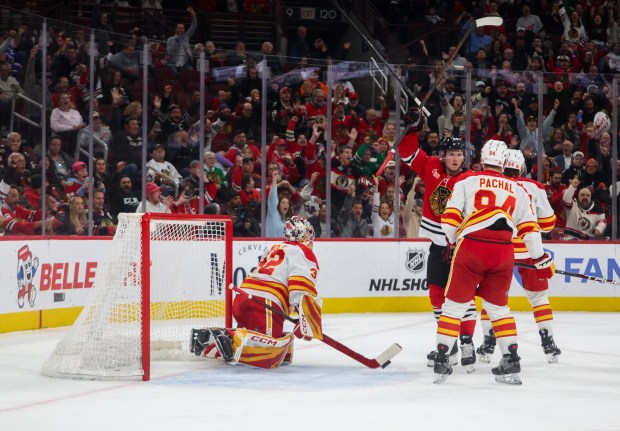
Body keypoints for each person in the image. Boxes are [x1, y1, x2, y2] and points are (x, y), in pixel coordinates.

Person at [434, 140, 555, 385]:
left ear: (481, 157)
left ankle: (442, 360)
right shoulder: (518, 189)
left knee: (454, 307)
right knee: (500, 310)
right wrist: (540, 257)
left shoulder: (467, 181)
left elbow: (448, 221)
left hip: (471, 247)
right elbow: (531, 230)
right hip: (503, 253)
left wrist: (457, 242)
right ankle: (511, 362)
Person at [191, 216, 321, 369]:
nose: (310, 239)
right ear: (300, 236)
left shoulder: (275, 247)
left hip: (242, 297)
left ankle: (214, 337)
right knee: (269, 352)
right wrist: (306, 318)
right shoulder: (303, 251)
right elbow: (300, 284)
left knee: (254, 336)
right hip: (265, 303)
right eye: (306, 234)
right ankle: (229, 339)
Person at [397, 131, 474, 369]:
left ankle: (467, 342)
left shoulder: (471, 179)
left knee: (464, 296)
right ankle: (448, 344)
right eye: (451, 154)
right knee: (436, 294)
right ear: (442, 155)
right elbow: (406, 152)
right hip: (438, 245)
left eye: (459, 154)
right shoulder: (431, 166)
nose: (455, 158)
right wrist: (412, 128)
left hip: (462, 246)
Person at [477, 150, 561, 364]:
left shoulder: (495, 183)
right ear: (522, 167)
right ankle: (548, 343)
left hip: (500, 248)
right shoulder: (534, 187)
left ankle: (488, 342)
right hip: (529, 251)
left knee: (491, 300)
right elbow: (549, 223)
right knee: (539, 298)